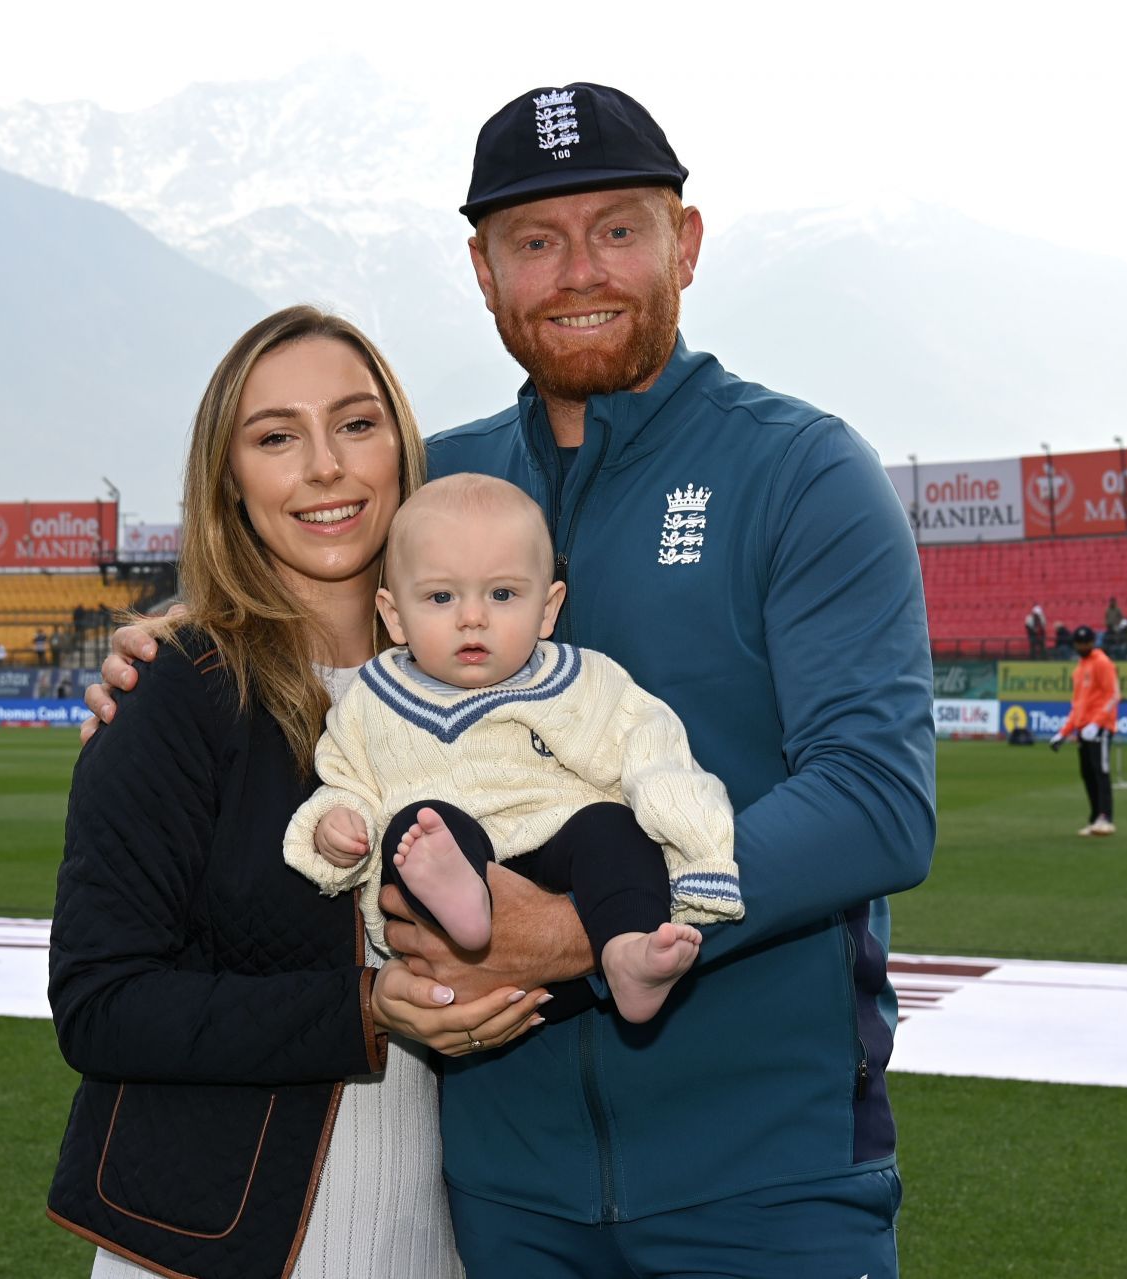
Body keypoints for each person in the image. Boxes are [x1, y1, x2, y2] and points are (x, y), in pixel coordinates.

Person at [86, 83, 935, 1278]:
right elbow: (309, 569)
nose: (578, 270)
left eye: (618, 229)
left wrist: (590, 926)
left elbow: (876, 802)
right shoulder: (447, 484)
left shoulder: (799, 469)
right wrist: (170, 635)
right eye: (536, 241)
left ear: (684, 244)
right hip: (496, 1192)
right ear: (483, 272)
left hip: (763, 1179)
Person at [47, 308, 478, 1279]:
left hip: (439, 1248)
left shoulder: (485, 697)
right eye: (277, 436)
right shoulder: (176, 686)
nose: (324, 466)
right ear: (231, 482)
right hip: (207, 1252)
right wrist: (366, 1009)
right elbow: (100, 1002)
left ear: (402, 452)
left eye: (357, 424)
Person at [287, 473, 739, 1025]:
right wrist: (336, 826)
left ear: (547, 610)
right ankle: (464, 903)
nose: (472, 617)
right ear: (394, 615)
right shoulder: (372, 701)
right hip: (443, 946)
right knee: (418, 825)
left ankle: (628, 954)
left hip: (565, 880)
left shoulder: (582, 682)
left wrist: (702, 855)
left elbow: (657, 754)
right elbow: (346, 779)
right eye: (441, 596)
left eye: (502, 595)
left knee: (611, 827)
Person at [1049, 626, 1119, 835]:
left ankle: (1106, 817)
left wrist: (1097, 723)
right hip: (1083, 729)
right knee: (1087, 774)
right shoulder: (1079, 670)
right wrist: (1064, 732)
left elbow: (1113, 695)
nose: (1081, 647)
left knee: (1101, 772)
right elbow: (1077, 706)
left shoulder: (1102, 663)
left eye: (1085, 643)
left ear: (1092, 642)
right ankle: (1095, 817)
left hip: (1101, 728)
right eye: (1078, 644)